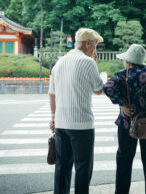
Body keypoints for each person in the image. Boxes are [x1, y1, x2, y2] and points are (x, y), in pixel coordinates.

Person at [102, 44, 146, 194]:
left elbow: (107, 88)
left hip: (127, 122)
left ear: (128, 61)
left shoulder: (122, 74)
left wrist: (122, 104)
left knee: (124, 160)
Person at [48, 28, 104, 194]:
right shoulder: (88, 62)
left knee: (62, 167)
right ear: (87, 44)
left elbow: (52, 93)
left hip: (61, 124)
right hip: (82, 125)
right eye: (95, 46)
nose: (95, 49)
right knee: (83, 168)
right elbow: (99, 89)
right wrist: (95, 63)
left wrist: (53, 117)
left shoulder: (59, 62)